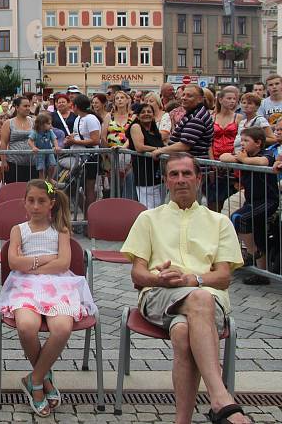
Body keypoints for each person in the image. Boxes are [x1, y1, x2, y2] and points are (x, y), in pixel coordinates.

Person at [120, 153, 250, 424]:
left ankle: (183, 421)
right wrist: (159, 279)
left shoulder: (219, 222)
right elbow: (138, 273)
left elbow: (224, 277)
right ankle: (220, 398)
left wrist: (194, 280)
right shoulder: (148, 218)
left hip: (209, 297)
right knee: (199, 299)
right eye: (174, 175)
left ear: (199, 178)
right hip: (160, 294)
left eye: (186, 174)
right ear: (166, 181)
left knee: (182, 332)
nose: (180, 180)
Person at [0, 179, 96, 417]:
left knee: (61, 328)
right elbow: (14, 262)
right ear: (24, 203)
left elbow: (64, 263)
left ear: (51, 204)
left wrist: (32, 266)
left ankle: (35, 379)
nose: (36, 206)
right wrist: (45, 260)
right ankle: (44, 380)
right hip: (24, 286)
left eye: (41, 201)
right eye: (31, 200)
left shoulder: (60, 230)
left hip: (58, 285)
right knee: (26, 326)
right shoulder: (18, 230)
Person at [220, 127, 276, 286]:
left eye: (246, 141)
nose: (242, 144)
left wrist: (243, 160)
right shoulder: (245, 155)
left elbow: (263, 162)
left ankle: (253, 253)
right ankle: (262, 273)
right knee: (259, 234)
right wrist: (239, 158)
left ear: (258, 143)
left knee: (238, 217)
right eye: (241, 140)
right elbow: (224, 157)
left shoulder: (267, 153)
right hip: (252, 200)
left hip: (267, 200)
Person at [152, 85, 213, 161]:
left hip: (191, 166)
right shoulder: (193, 113)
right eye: (183, 95)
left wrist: (160, 151)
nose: (184, 98)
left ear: (200, 99)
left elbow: (184, 145)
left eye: (189, 96)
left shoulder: (197, 117)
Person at [64, 94, 101, 217]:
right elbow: (78, 135)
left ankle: (89, 218)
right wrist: (71, 139)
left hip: (90, 157)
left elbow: (95, 140)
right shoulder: (78, 118)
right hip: (80, 157)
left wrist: (75, 141)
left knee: (88, 188)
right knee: (71, 188)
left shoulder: (90, 119)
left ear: (75, 106)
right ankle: (87, 216)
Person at [127, 103, 165, 209]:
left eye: (149, 112)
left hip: (158, 175)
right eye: (143, 112)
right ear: (138, 116)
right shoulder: (135, 126)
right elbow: (139, 147)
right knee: (149, 208)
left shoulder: (154, 130)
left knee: (159, 207)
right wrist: (159, 150)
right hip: (144, 174)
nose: (146, 114)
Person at [0, 96, 36, 183]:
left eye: (28, 106)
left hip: (32, 163)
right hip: (13, 163)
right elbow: (4, 143)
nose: (28, 108)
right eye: (25, 106)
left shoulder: (33, 122)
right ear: (17, 107)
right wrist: (3, 161)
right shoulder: (8, 123)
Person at [29, 112, 60, 180]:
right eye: (48, 124)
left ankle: (50, 178)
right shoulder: (35, 132)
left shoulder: (50, 131)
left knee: (52, 165)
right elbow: (30, 141)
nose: (50, 125)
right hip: (39, 153)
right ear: (41, 124)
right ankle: (42, 181)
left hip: (49, 151)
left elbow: (54, 139)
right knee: (41, 168)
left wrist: (56, 146)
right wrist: (33, 147)